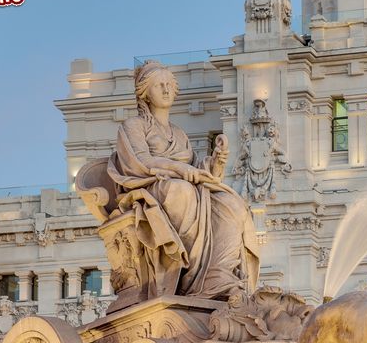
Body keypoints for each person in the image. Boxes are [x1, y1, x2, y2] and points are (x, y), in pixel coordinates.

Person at [107, 61, 260, 299]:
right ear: (145, 93)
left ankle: (218, 274)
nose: (166, 90)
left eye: (169, 84)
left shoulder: (179, 134)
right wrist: (178, 168)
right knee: (182, 192)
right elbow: (141, 162)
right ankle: (191, 281)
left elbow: (198, 169)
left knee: (233, 204)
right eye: (159, 85)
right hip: (149, 190)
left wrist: (216, 161)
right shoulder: (132, 126)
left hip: (186, 188)